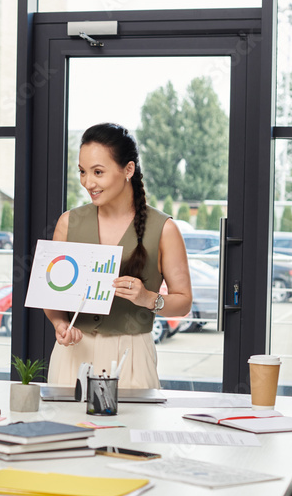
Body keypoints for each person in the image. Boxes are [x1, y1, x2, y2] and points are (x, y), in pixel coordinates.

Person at [44, 123, 192, 389]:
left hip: (131, 357)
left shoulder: (165, 229)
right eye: (82, 172)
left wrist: (148, 298)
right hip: (73, 356)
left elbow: (183, 303)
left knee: (129, 431)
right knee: (67, 430)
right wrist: (60, 324)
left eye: (98, 172)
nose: (88, 183)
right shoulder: (68, 223)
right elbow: (53, 294)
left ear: (128, 170)